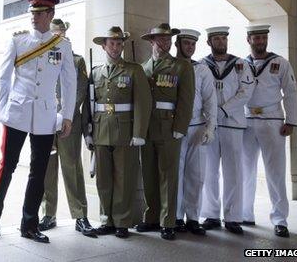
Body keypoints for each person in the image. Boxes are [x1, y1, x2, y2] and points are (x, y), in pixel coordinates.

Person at [0, 0, 76, 244]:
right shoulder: (18, 41)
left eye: (39, 13)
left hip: (46, 117)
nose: (34, 17)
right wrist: (4, 109)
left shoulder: (62, 46)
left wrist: (66, 115)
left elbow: (69, 83)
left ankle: (29, 224)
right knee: (8, 166)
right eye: (32, 13)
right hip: (17, 113)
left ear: (50, 15)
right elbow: (4, 77)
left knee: (39, 171)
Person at [85, 27, 151, 239]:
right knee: (103, 179)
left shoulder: (134, 70)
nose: (116, 47)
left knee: (124, 179)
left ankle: (122, 221)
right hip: (101, 130)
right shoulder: (95, 72)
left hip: (125, 131)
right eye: (111, 43)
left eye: (119, 43)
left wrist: (139, 132)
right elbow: (88, 103)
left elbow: (143, 102)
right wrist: (87, 131)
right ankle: (107, 220)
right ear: (103, 46)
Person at [136, 23, 195, 241]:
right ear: (151, 41)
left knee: (168, 175)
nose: (166, 42)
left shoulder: (181, 66)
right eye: (161, 39)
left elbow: (186, 100)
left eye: (169, 39)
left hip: (169, 126)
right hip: (147, 127)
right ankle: (151, 217)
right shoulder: (142, 68)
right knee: (149, 174)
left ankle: (167, 221)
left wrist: (181, 127)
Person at [38, 19, 95, 238]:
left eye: (60, 33)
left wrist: (64, 114)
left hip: (69, 121)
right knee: (46, 168)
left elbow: (80, 90)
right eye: (53, 33)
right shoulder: (41, 56)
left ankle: (80, 216)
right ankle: (48, 214)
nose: (57, 37)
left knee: (72, 167)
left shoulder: (76, 59)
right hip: (45, 121)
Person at [242, 25, 297, 238]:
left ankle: (280, 220)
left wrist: (291, 120)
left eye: (263, 37)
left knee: (275, 172)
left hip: (272, 121)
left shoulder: (280, 62)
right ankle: (245, 214)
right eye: (256, 37)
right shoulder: (241, 64)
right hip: (246, 121)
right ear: (249, 39)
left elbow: (291, 91)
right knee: (245, 170)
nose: (260, 41)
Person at [200, 26, 254, 235]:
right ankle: (211, 214)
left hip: (232, 123)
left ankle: (233, 217)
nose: (221, 41)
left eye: (223, 38)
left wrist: (222, 110)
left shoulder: (241, 64)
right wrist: (211, 113)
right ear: (209, 42)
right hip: (209, 124)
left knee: (233, 172)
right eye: (216, 39)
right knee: (210, 171)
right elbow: (201, 92)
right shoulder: (203, 65)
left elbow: (246, 92)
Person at [174, 29, 217, 236]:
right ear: (177, 44)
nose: (190, 47)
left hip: (197, 127)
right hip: (175, 128)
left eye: (193, 44)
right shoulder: (170, 66)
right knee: (175, 174)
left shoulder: (202, 69)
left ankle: (192, 218)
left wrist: (210, 127)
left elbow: (210, 100)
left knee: (196, 175)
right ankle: (175, 217)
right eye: (186, 43)